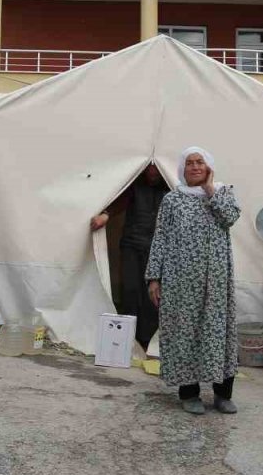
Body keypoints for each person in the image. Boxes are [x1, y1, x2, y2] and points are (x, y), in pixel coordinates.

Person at [145, 148, 242, 415]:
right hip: (181, 281)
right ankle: (189, 393)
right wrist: (154, 277)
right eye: (190, 163)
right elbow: (161, 238)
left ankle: (223, 394)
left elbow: (230, 218)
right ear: (182, 169)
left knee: (218, 331)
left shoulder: (222, 193)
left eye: (200, 162)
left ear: (209, 166)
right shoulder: (172, 200)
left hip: (216, 281)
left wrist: (211, 190)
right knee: (185, 332)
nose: (195, 167)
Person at [90, 163, 170, 351]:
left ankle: (146, 340)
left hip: (157, 249)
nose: (152, 173)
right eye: (149, 169)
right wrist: (106, 215)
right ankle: (127, 338)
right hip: (132, 245)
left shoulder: (170, 190)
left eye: (156, 169)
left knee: (153, 295)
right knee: (131, 290)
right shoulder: (135, 186)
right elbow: (121, 201)